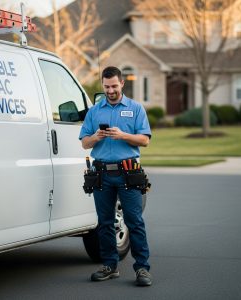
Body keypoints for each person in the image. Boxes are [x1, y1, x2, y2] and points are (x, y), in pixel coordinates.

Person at [79, 66, 152, 286]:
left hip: (128, 173)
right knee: (105, 223)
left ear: (122, 83)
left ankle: (142, 269)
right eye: (106, 86)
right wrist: (96, 136)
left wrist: (123, 136)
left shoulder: (136, 108)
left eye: (114, 86)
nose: (110, 90)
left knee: (134, 221)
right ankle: (110, 266)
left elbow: (145, 140)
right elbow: (84, 143)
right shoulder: (94, 111)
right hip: (101, 174)